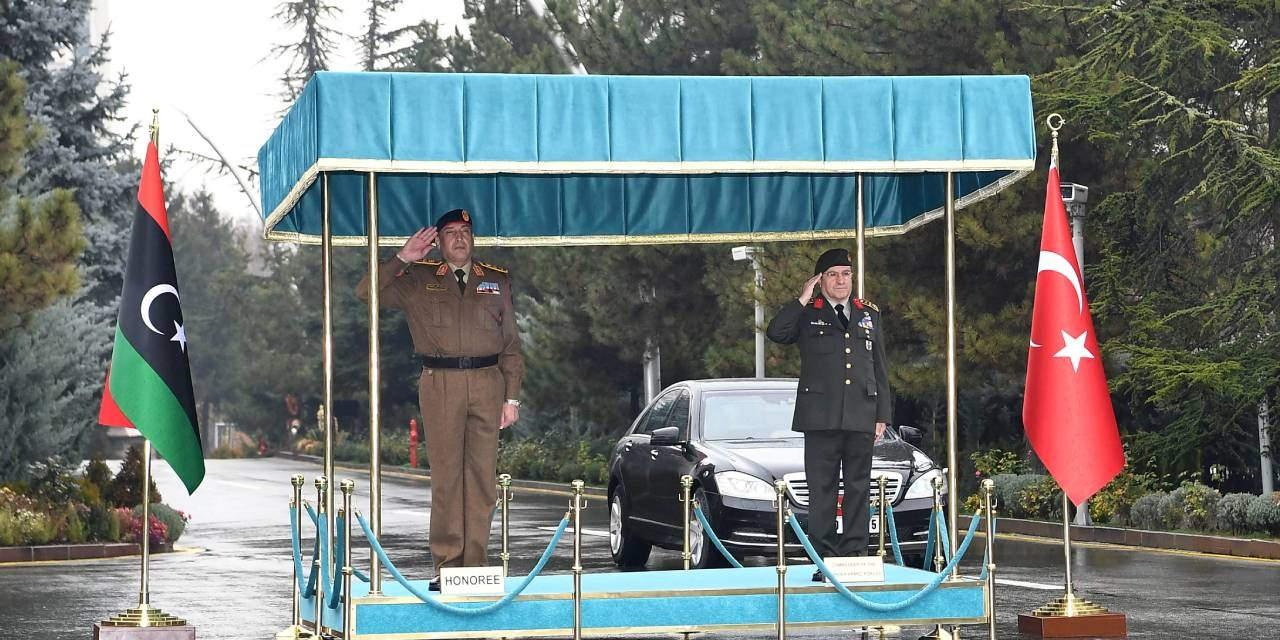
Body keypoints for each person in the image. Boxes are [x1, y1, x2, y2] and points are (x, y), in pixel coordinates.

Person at [356, 208, 524, 589]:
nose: (459, 238)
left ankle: (476, 566)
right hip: (440, 382)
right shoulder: (418, 278)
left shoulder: (495, 281)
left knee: (482, 479)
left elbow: (511, 344)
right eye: (450, 232)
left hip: (487, 382)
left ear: (473, 238)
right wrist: (402, 258)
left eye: (465, 231)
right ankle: (448, 565)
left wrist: (512, 398)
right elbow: (366, 292)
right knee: (447, 478)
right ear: (438, 242)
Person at [766, 248, 891, 581]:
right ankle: (825, 559)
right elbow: (777, 332)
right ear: (820, 280)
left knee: (858, 488)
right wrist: (802, 297)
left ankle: (854, 556)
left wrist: (882, 414)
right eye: (833, 275)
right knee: (822, 490)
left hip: (861, 414)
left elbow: (878, 366)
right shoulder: (809, 313)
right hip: (820, 417)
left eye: (846, 274)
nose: (841, 281)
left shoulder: (868, 313)